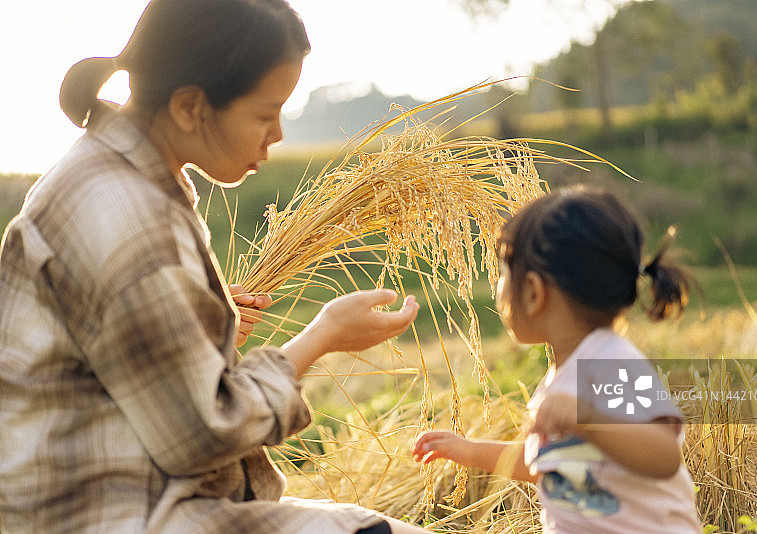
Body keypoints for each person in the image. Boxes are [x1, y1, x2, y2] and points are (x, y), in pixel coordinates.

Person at [0, 1, 429, 533]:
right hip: (115, 516)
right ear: (189, 107)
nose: (277, 135)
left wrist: (202, 323)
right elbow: (203, 432)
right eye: (266, 114)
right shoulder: (130, 217)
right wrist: (322, 336)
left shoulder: (109, 175)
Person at [413, 186, 703, 533]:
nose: (499, 286)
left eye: (504, 273)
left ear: (533, 291)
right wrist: (469, 451)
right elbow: (544, 464)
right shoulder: (562, 375)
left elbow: (663, 455)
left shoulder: (610, 361)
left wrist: (587, 420)